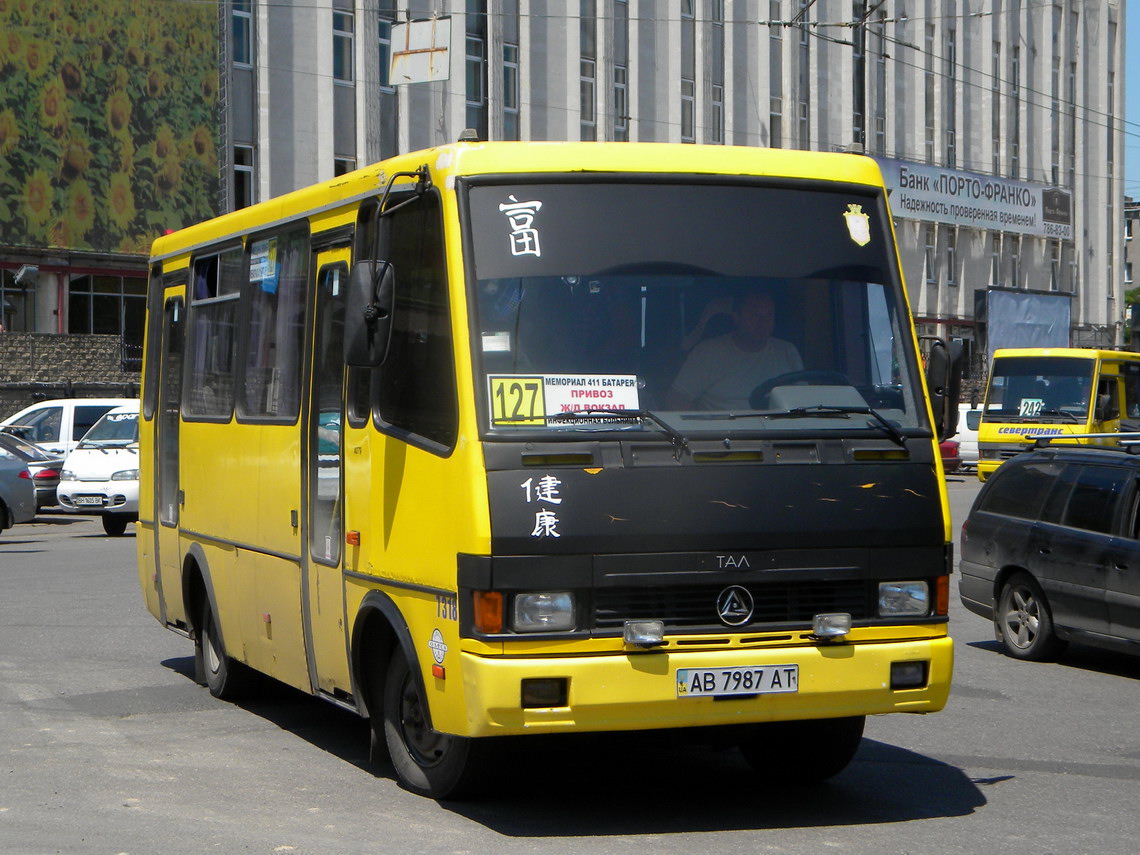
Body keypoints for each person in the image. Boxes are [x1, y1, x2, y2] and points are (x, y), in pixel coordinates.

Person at [667, 290, 802, 411]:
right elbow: (677, 400)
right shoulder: (708, 352)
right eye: (755, 314)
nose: (763, 321)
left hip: (780, 435)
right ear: (736, 317)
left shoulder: (787, 351)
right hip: (724, 436)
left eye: (769, 315)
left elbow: (802, 400)